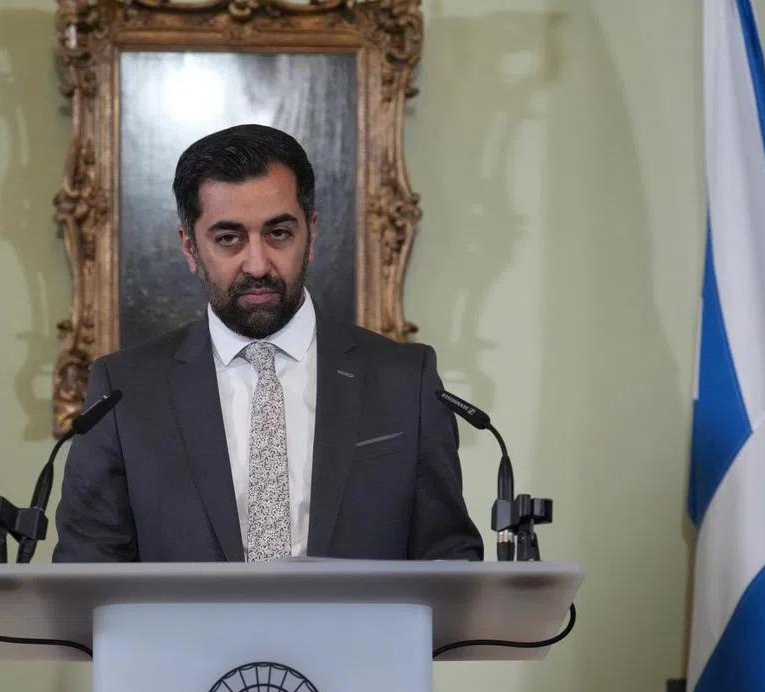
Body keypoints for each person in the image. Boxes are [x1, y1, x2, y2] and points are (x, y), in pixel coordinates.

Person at [51, 124, 483, 562]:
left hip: (360, 632)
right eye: (228, 239)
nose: (257, 264)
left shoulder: (405, 381)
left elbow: (447, 560)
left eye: (278, 234)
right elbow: (86, 572)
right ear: (189, 247)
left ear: (310, 234)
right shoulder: (124, 393)